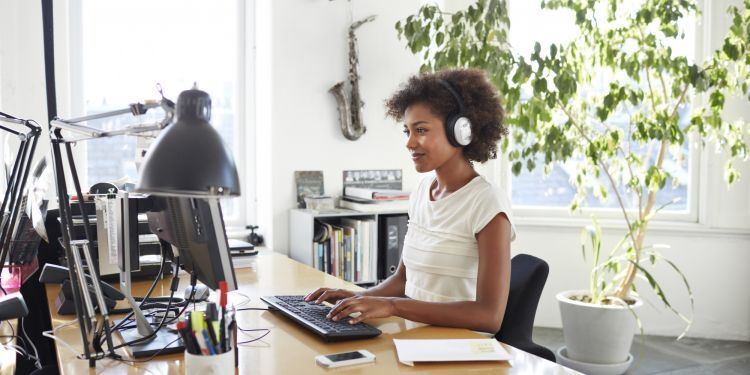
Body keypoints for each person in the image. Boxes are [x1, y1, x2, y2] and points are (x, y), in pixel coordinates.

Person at [305, 68, 515, 334]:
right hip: (415, 336)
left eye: (422, 130)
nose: (410, 142)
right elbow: (403, 280)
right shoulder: (423, 191)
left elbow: (488, 316)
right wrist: (353, 297)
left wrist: (393, 307)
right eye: (407, 131)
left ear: (460, 132)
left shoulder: (487, 203)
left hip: (462, 348)